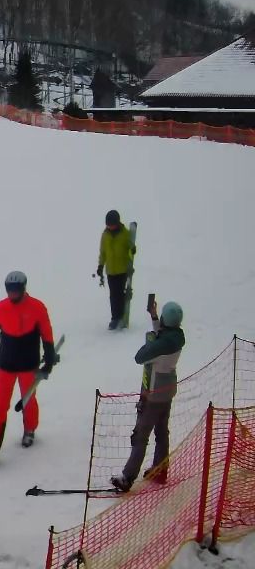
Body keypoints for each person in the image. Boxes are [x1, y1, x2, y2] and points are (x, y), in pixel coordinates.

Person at [0, 270, 57, 462]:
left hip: (29, 363)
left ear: (22, 288)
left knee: (28, 400)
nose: (11, 294)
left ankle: (30, 430)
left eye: (15, 290)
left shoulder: (37, 307)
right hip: (7, 364)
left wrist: (50, 356)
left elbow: (46, 332)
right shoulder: (2, 308)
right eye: (9, 290)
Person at [111, 298, 185, 492]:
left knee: (141, 435)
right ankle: (160, 470)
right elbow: (163, 335)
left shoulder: (161, 346)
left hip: (152, 394)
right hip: (167, 390)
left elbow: (141, 356)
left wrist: (149, 341)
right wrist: (153, 316)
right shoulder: (177, 336)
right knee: (161, 432)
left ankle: (127, 477)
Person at [97, 209, 135, 329]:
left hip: (122, 269)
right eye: (108, 225)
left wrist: (132, 249)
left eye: (111, 224)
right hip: (111, 271)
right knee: (113, 295)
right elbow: (103, 252)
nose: (110, 227)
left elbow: (130, 246)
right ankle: (115, 318)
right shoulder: (105, 235)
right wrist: (100, 266)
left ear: (117, 223)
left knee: (119, 293)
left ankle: (121, 316)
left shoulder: (125, 234)